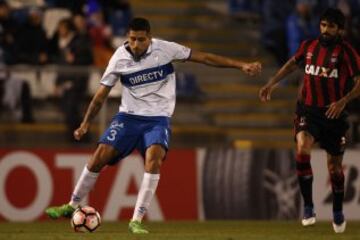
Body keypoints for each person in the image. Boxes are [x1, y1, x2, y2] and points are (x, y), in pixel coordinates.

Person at [45, 17, 261, 233]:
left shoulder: (165, 49)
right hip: (128, 117)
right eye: (132, 39)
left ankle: (136, 220)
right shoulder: (119, 58)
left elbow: (204, 57)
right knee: (99, 155)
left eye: (140, 39)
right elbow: (100, 96)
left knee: (154, 159)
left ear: (149, 37)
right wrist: (85, 124)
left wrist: (241, 65)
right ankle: (71, 205)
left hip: (158, 118)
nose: (136, 44)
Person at [259, 8, 360, 234]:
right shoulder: (309, 46)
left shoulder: (347, 53)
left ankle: (336, 210)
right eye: (323, 25)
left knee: (334, 169)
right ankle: (308, 207)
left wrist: (343, 101)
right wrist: (271, 83)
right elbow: (291, 65)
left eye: (331, 27)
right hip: (308, 111)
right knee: (302, 151)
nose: (325, 30)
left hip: (334, 116)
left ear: (340, 30)